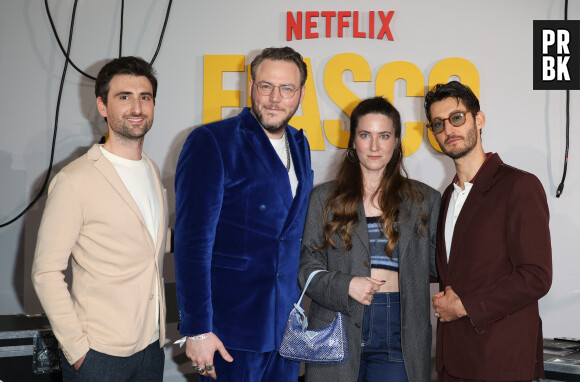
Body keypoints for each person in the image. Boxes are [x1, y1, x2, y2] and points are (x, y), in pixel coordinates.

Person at [174, 46, 314, 381]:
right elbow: (193, 244)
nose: (275, 99)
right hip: (230, 332)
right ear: (251, 85)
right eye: (266, 86)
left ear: (301, 94)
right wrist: (197, 330)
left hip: (285, 330)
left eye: (286, 89)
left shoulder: (300, 144)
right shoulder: (212, 141)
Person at [32, 56, 169, 381]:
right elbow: (46, 271)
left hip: (151, 349)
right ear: (102, 105)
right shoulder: (74, 179)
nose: (137, 107)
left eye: (145, 97)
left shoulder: (151, 170)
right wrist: (78, 350)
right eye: (124, 97)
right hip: (98, 356)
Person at [299, 96, 441, 382]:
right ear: (353, 141)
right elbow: (305, 269)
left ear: (397, 141)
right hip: (334, 324)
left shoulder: (425, 200)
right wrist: (346, 284)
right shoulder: (323, 198)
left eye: (384, 136)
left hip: (400, 329)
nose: (374, 146)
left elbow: (441, 266)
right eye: (365, 135)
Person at [425, 81, 552, 382]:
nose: (448, 130)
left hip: (501, 362)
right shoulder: (446, 197)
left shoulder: (519, 186)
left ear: (478, 120)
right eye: (438, 124)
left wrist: (465, 305)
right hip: (453, 363)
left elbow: (536, 276)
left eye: (457, 118)